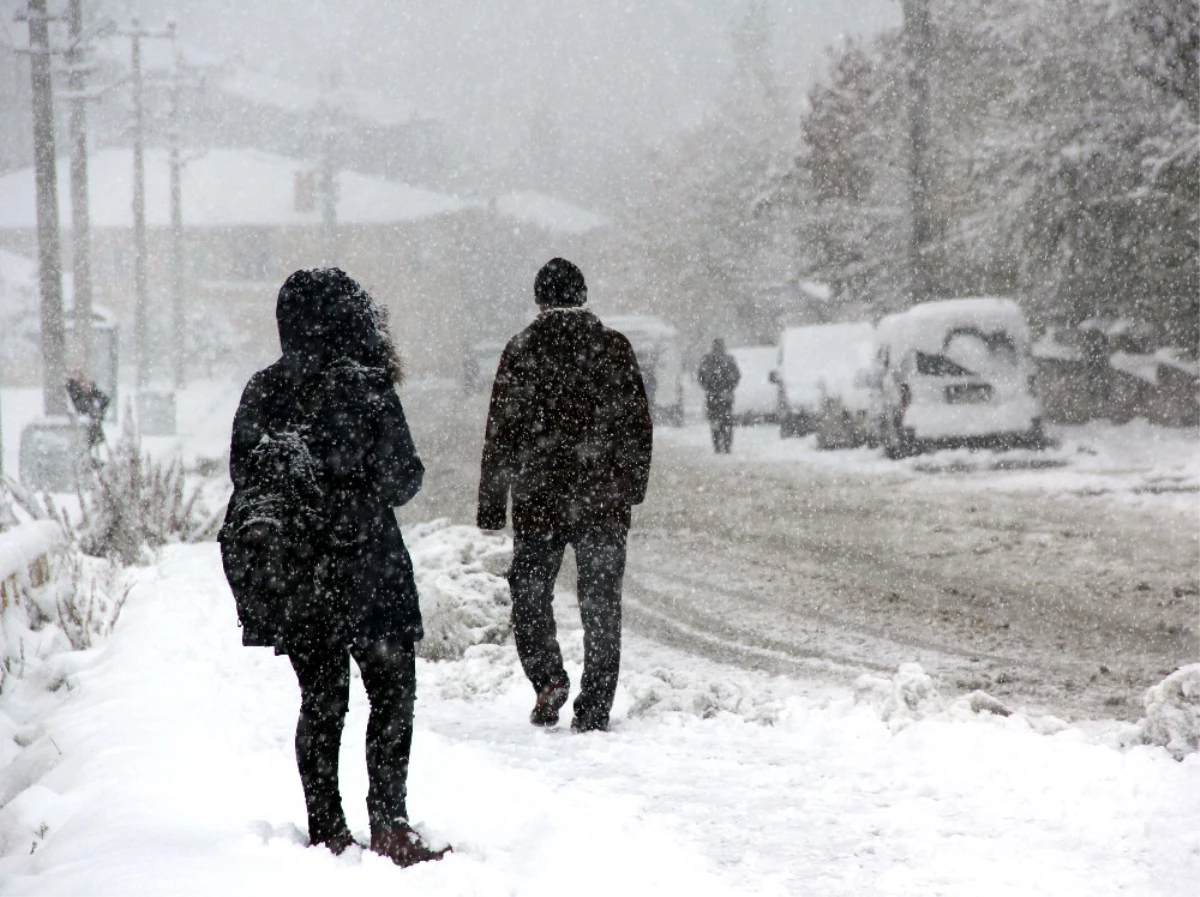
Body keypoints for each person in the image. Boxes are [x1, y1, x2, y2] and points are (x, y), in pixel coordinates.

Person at [225, 267, 449, 867]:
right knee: (392, 694)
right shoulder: (368, 386)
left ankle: (327, 828)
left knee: (321, 701)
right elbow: (403, 477)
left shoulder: (264, 389)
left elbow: (244, 476)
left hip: (297, 577)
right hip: (369, 568)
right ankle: (390, 823)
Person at [477, 257, 653, 733]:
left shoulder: (521, 349)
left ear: (540, 301)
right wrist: (631, 485)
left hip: (540, 500)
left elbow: (502, 431)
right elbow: (637, 424)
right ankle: (595, 706)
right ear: (582, 296)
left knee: (530, 594)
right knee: (600, 604)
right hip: (604, 499)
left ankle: (548, 678)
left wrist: (493, 503)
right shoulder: (614, 347)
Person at [697, 338, 740, 453]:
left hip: (713, 395)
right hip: (725, 395)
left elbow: (700, 377)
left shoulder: (707, 360)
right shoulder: (729, 360)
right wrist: (729, 388)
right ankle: (726, 444)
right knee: (726, 420)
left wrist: (709, 388)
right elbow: (736, 376)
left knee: (715, 421)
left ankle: (717, 444)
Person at [65, 373, 109, 448]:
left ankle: (95, 438)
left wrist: (100, 412)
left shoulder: (91, 393)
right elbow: (81, 405)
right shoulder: (75, 392)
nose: (86, 385)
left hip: (90, 419)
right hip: (84, 418)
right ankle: (95, 439)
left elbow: (105, 399)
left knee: (94, 421)